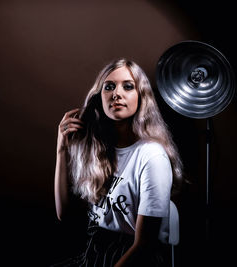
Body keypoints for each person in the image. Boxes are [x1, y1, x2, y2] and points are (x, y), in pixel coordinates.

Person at [53, 58, 183, 267]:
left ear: (142, 97)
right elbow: (64, 216)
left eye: (128, 86)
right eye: (109, 87)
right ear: (99, 98)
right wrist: (61, 150)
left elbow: (145, 245)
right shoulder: (96, 149)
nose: (117, 94)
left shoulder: (151, 156)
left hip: (132, 258)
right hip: (94, 254)